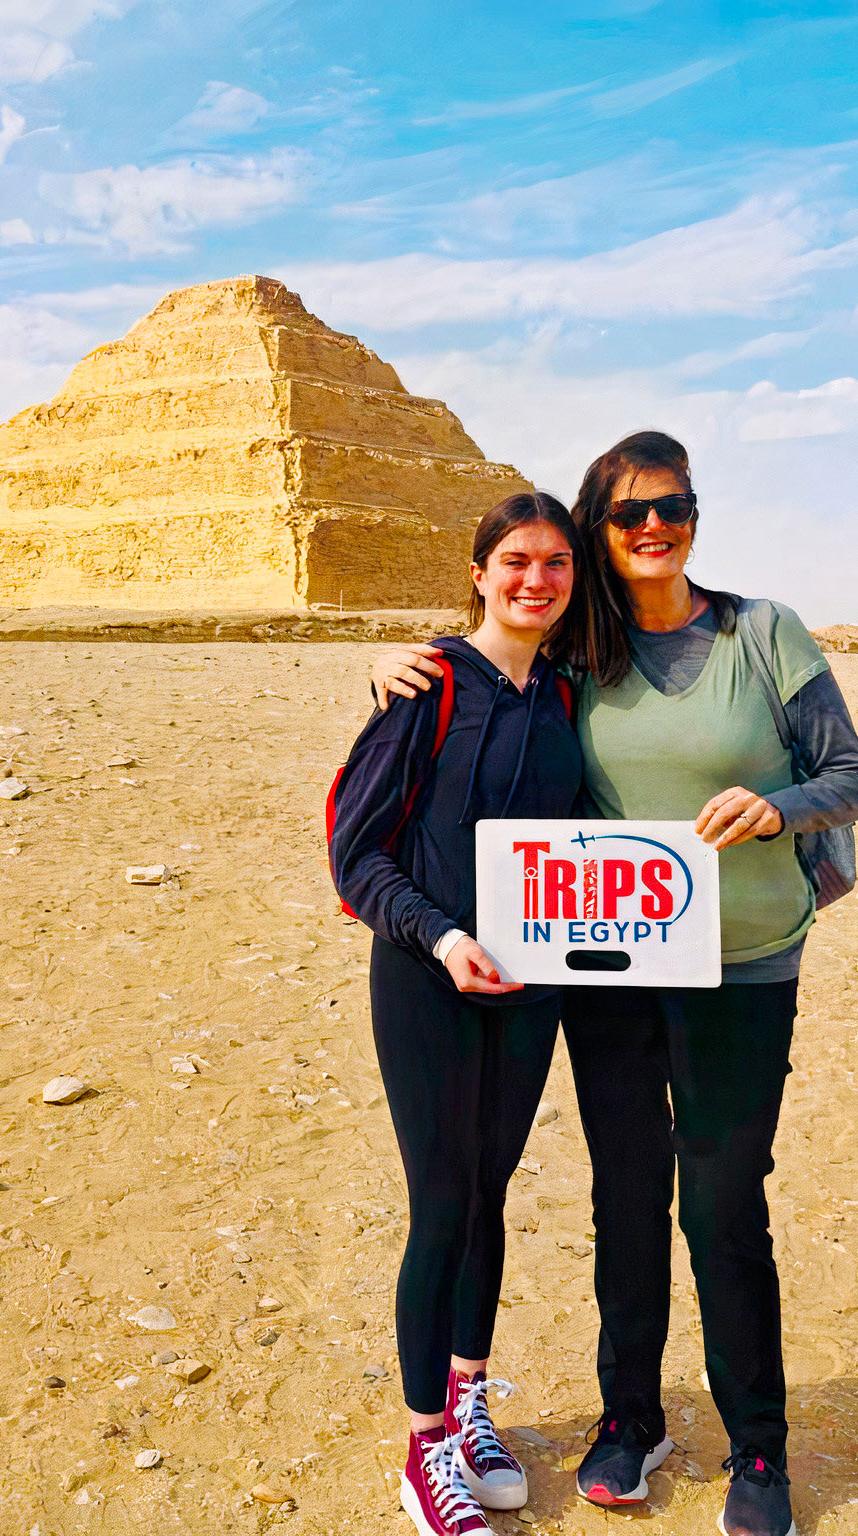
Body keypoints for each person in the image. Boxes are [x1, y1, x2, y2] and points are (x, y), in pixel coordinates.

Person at [370, 431, 858, 1536]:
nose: (654, 526)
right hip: (606, 966)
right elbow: (485, 668)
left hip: (741, 963)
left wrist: (776, 807)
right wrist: (398, 669)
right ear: (600, 526)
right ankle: (628, 1421)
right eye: (628, 512)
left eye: (673, 505)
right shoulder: (574, 652)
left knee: (722, 1204)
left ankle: (756, 1446)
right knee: (623, 1199)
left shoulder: (761, 631)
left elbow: (851, 775)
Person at [330, 491, 591, 1534]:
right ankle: (422, 1444)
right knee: (439, 1200)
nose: (535, 581)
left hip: (531, 985)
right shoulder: (425, 687)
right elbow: (358, 855)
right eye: (515, 561)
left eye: (555, 565)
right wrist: (441, 937)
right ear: (477, 572)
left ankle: (471, 1398)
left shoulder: (572, 694)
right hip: (428, 978)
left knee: (488, 1191)